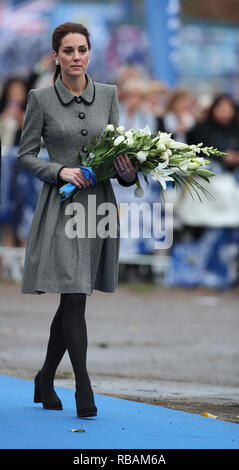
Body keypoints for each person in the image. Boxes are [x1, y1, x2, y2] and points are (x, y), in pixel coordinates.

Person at [17, 22, 138, 418]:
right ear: (55, 56)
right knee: (72, 295)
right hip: (62, 206)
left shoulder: (108, 95)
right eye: (67, 51)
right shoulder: (40, 98)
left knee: (75, 297)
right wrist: (58, 171)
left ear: (90, 53)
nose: (75, 57)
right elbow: (26, 155)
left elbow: (120, 154)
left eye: (81, 49)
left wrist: (128, 172)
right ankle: (84, 387)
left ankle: (45, 376)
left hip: (98, 207)